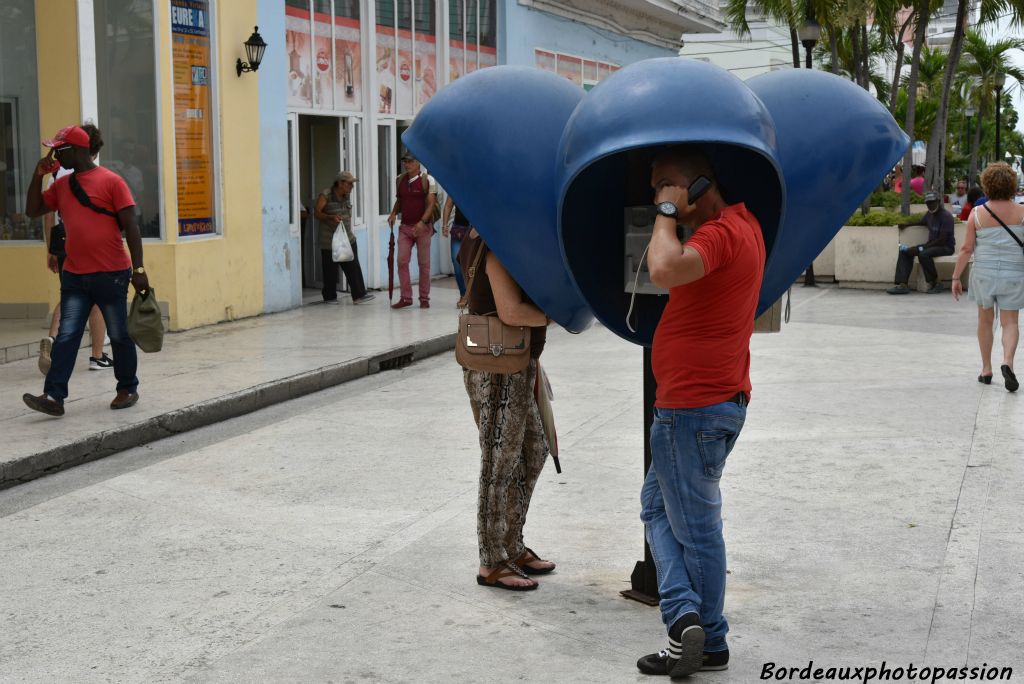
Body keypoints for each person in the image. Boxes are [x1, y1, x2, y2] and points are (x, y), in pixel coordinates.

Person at [635, 146, 765, 678]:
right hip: (707, 402)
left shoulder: (720, 233)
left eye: (665, 184)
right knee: (657, 510)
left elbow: (662, 268)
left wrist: (665, 214)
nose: (657, 197)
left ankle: (702, 633)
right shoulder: (742, 224)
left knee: (697, 528)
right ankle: (690, 616)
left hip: (691, 409)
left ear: (698, 184)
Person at [21, 125, 148, 417]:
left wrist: (139, 269)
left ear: (77, 150)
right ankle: (53, 396)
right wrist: (38, 175)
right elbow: (32, 210)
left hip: (111, 272)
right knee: (67, 336)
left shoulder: (112, 182)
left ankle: (127, 387)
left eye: (59, 149)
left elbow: (132, 226)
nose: (53, 154)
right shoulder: (62, 185)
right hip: (75, 275)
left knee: (118, 334)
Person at [458, 228, 555, 591]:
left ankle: (511, 543)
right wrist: (555, 315)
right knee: (498, 462)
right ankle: (492, 561)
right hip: (499, 368)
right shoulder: (496, 242)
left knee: (534, 449)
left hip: (518, 363)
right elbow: (511, 312)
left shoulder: (495, 235)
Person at [39, 123, 111, 375]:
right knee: (98, 300)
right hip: (88, 244)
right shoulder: (98, 176)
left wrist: (50, 248)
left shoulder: (55, 175)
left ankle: (52, 341)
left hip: (60, 240)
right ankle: (98, 355)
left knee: (70, 294)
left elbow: (48, 215)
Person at [951, 162, 1024, 392]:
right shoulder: (1022, 213)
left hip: (983, 274)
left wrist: (955, 278)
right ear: (1012, 185)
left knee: (984, 321)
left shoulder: (977, 214)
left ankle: (986, 369)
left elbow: (966, 249)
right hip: (1013, 272)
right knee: (1010, 322)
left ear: (987, 185)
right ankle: (1008, 362)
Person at [315, 171, 375, 305]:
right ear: (340, 183)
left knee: (353, 267)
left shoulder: (346, 195)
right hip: (330, 240)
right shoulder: (326, 195)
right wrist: (330, 217)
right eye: (350, 183)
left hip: (347, 238)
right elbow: (317, 213)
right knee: (330, 269)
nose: (352, 186)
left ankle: (359, 295)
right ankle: (329, 297)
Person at [387, 152, 438, 309]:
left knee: (424, 264)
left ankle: (424, 298)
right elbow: (400, 199)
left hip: (423, 228)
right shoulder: (400, 179)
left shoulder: (428, 180)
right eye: (405, 162)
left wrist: (423, 222)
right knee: (402, 261)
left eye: (410, 162)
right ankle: (406, 298)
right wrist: (394, 213)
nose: (407, 165)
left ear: (418, 163)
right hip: (405, 228)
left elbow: (431, 204)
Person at [886, 191, 955, 295]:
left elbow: (942, 240)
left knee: (923, 254)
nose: (930, 205)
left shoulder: (946, 216)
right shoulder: (929, 214)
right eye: (928, 203)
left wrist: (921, 248)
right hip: (931, 245)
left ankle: (935, 283)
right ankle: (902, 284)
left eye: (932, 202)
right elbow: (921, 222)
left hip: (945, 247)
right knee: (906, 252)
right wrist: (907, 225)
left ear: (938, 201)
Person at [442, 195, 470, 296]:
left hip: (475, 230)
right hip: (459, 229)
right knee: (457, 263)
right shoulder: (456, 184)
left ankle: (474, 296)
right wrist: (445, 225)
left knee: (473, 265)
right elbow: (448, 205)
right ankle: (464, 295)